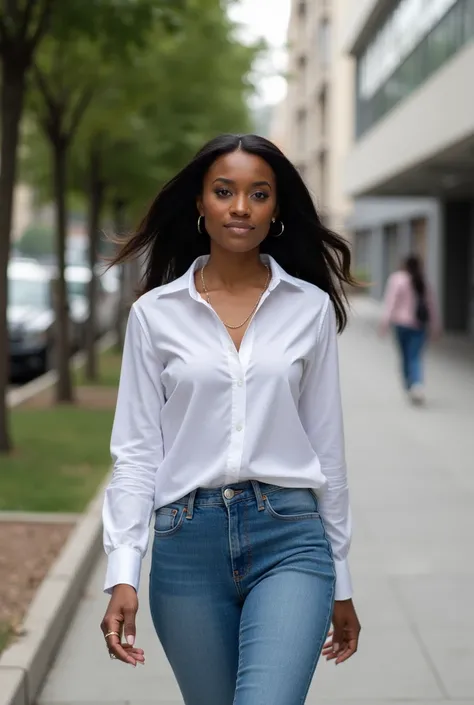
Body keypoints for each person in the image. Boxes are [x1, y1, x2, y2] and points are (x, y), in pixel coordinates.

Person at [99, 133, 361, 705]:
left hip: (289, 537)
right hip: (185, 545)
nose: (240, 207)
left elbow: (327, 447)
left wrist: (342, 578)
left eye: (259, 194)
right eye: (224, 191)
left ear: (276, 210)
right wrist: (123, 567)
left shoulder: (309, 308)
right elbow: (139, 451)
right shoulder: (154, 314)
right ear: (200, 203)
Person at [380, 253, 440, 404]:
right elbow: (431, 305)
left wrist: (384, 323)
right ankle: (417, 385)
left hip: (401, 325)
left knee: (405, 356)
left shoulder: (397, 279)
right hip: (419, 325)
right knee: (415, 356)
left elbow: (390, 302)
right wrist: (435, 325)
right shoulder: (422, 280)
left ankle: (410, 385)